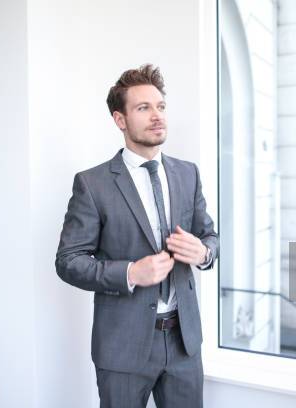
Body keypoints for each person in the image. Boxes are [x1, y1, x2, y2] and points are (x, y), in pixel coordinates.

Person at [55, 64, 219, 408]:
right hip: (122, 347)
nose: (157, 116)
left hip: (184, 343)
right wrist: (130, 273)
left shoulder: (188, 174)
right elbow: (68, 261)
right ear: (120, 120)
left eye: (160, 106)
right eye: (143, 108)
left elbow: (210, 237)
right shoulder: (92, 184)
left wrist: (202, 252)